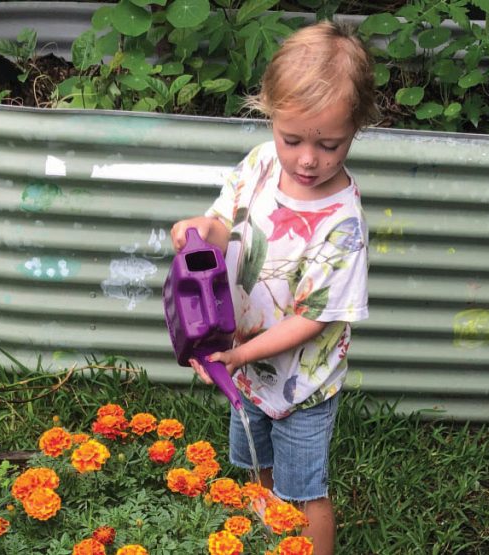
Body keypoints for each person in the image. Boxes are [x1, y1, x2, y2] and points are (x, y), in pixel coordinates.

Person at [169, 20, 376, 555]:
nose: (308, 158)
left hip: (302, 388)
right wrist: (198, 232)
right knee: (255, 472)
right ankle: (268, 546)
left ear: (356, 129)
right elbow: (223, 220)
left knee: (304, 493)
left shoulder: (342, 223)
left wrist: (240, 353)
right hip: (249, 374)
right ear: (270, 114)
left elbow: (317, 318)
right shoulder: (261, 164)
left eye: (330, 144)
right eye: (293, 139)